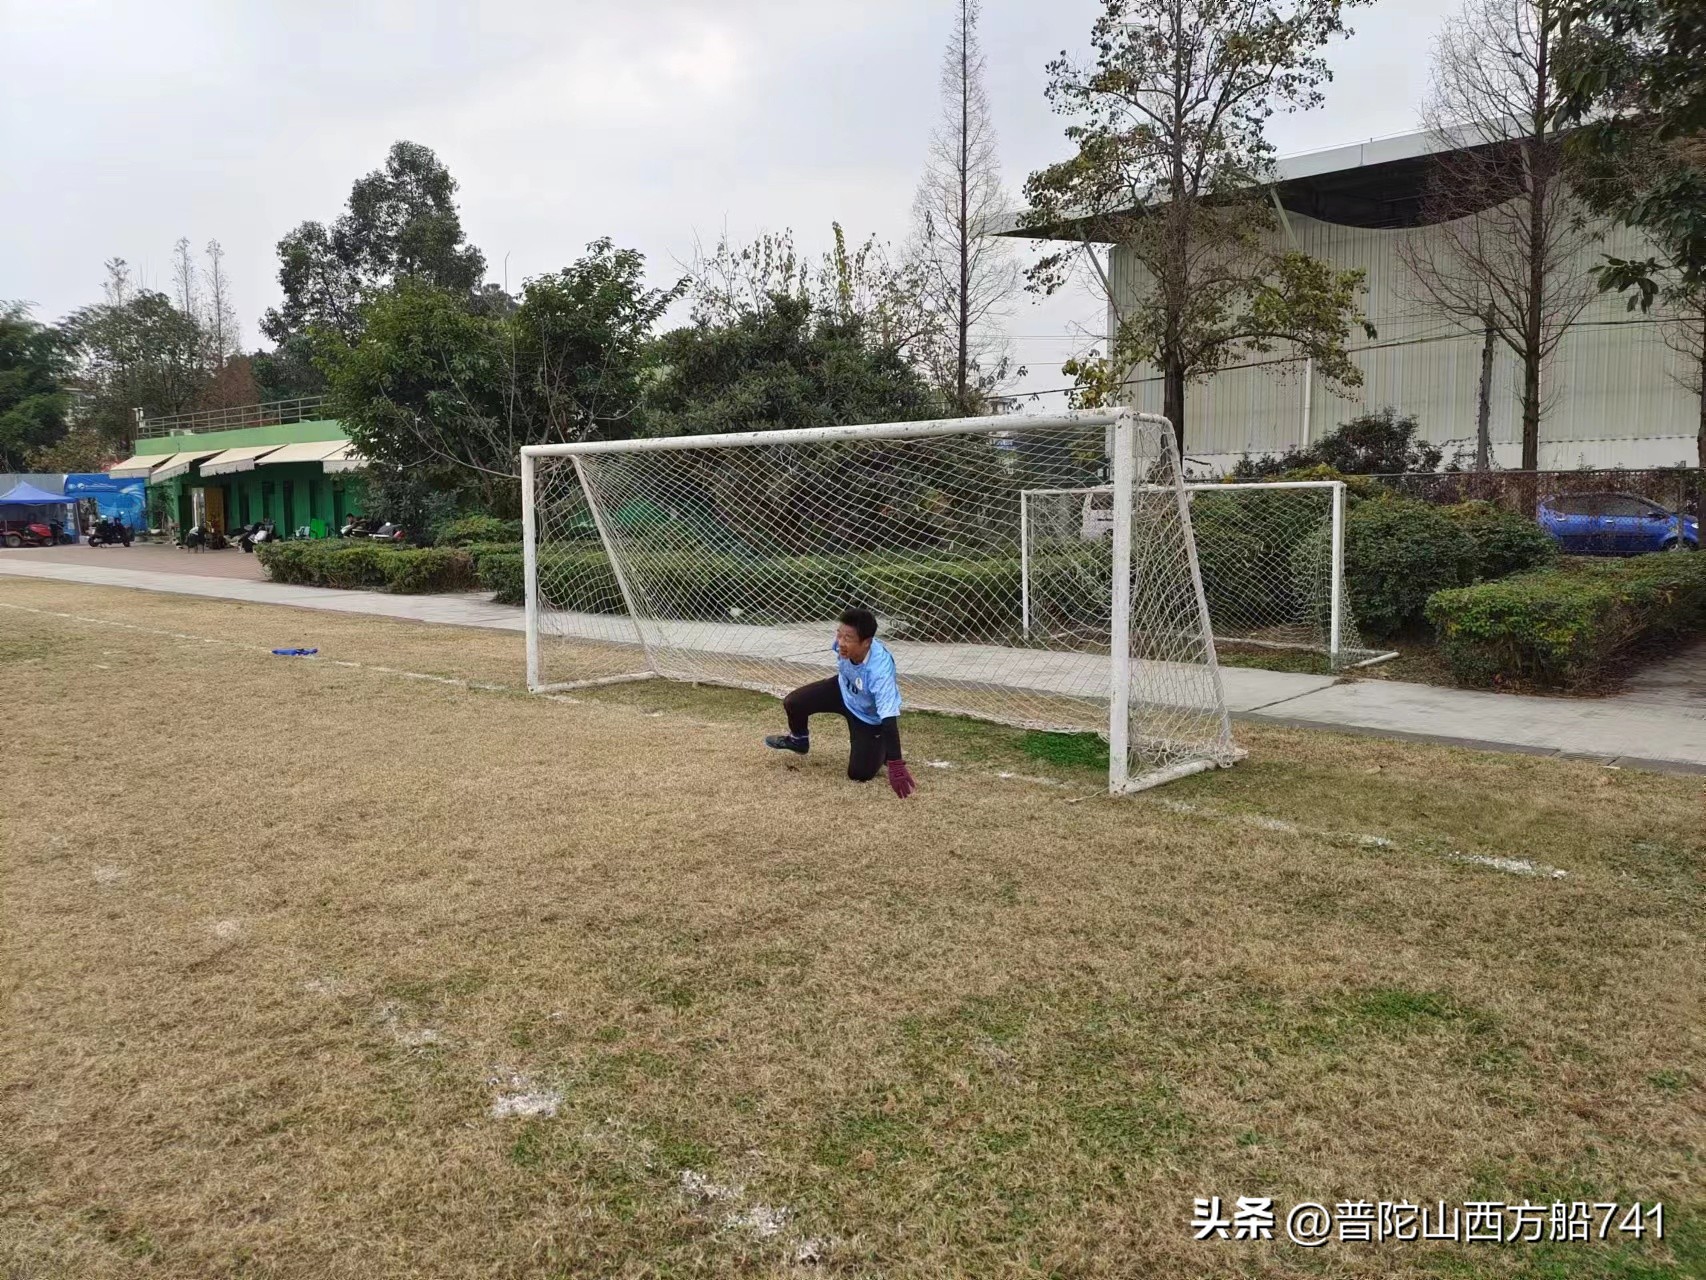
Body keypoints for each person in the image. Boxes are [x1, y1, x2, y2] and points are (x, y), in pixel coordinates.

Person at [765, 606, 917, 798]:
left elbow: (888, 718)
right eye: (839, 635)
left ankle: (881, 747)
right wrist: (843, 640)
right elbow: (842, 648)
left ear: (867, 643)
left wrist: (895, 763)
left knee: (859, 774)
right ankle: (799, 740)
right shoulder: (841, 645)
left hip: (867, 716)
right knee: (794, 702)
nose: (841, 642)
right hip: (842, 691)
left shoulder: (880, 671)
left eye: (848, 638)